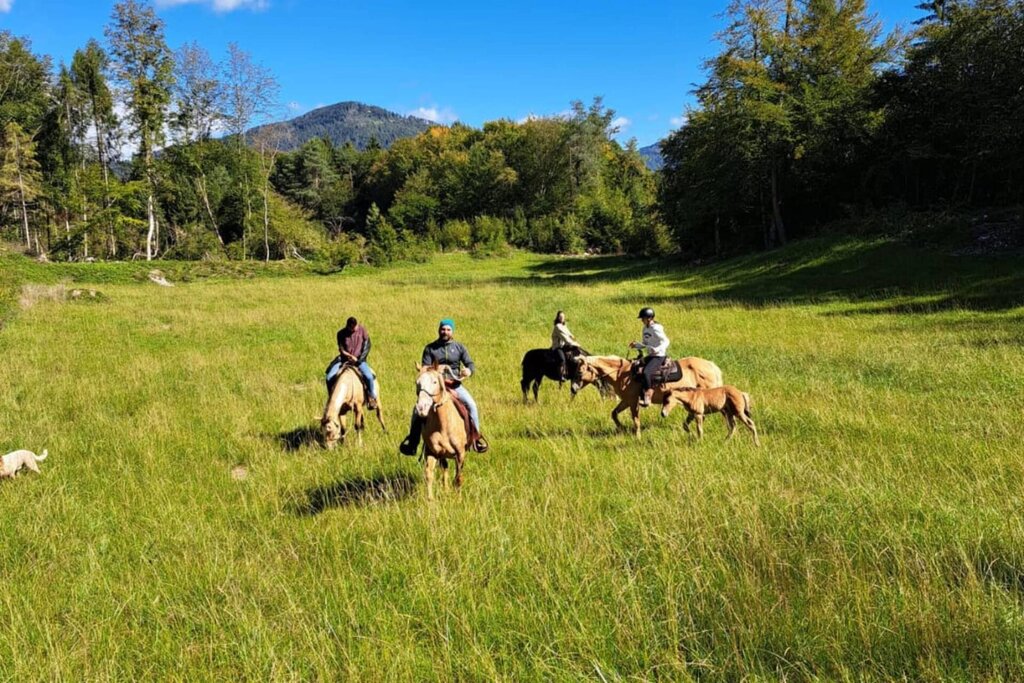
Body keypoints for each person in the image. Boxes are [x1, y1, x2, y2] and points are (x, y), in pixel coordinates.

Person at [400, 318, 489, 455]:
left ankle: (475, 439)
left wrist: (468, 371)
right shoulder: (430, 348)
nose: (445, 332)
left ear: (452, 331)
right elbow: (425, 368)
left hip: (454, 386)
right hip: (435, 388)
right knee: (417, 410)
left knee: (471, 405)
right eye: (443, 329)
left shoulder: (459, 347)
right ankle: (413, 442)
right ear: (439, 330)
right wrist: (434, 370)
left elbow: (470, 364)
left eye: (448, 329)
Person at [326, 316, 378, 409]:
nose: (353, 330)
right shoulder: (341, 333)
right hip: (343, 360)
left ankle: (371, 397)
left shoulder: (362, 330)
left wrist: (358, 360)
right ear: (347, 326)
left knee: (369, 377)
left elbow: (367, 346)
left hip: (359, 360)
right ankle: (332, 399)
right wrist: (348, 356)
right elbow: (341, 349)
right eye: (351, 329)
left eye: (354, 328)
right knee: (329, 377)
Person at [629, 307, 670, 407]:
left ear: (649, 318)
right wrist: (636, 345)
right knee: (635, 365)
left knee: (647, 372)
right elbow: (645, 344)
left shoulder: (656, 328)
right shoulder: (645, 329)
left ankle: (648, 395)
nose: (641, 320)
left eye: (643, 318)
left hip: (659, 356)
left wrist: (658, 349)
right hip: (651, 355)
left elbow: (666, 341)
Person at [551, 310, 585, 380]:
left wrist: (572, 336)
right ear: (557, 318)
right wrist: (575, 343)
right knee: (562, 359)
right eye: (560, 317)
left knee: (575, 353)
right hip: (557, 347)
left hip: (563, 346)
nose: (562, 318)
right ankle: (561, 375)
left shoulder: (563, 325)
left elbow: (568, 333)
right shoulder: (558, 326)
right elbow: (565, 338)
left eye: (563, 317)